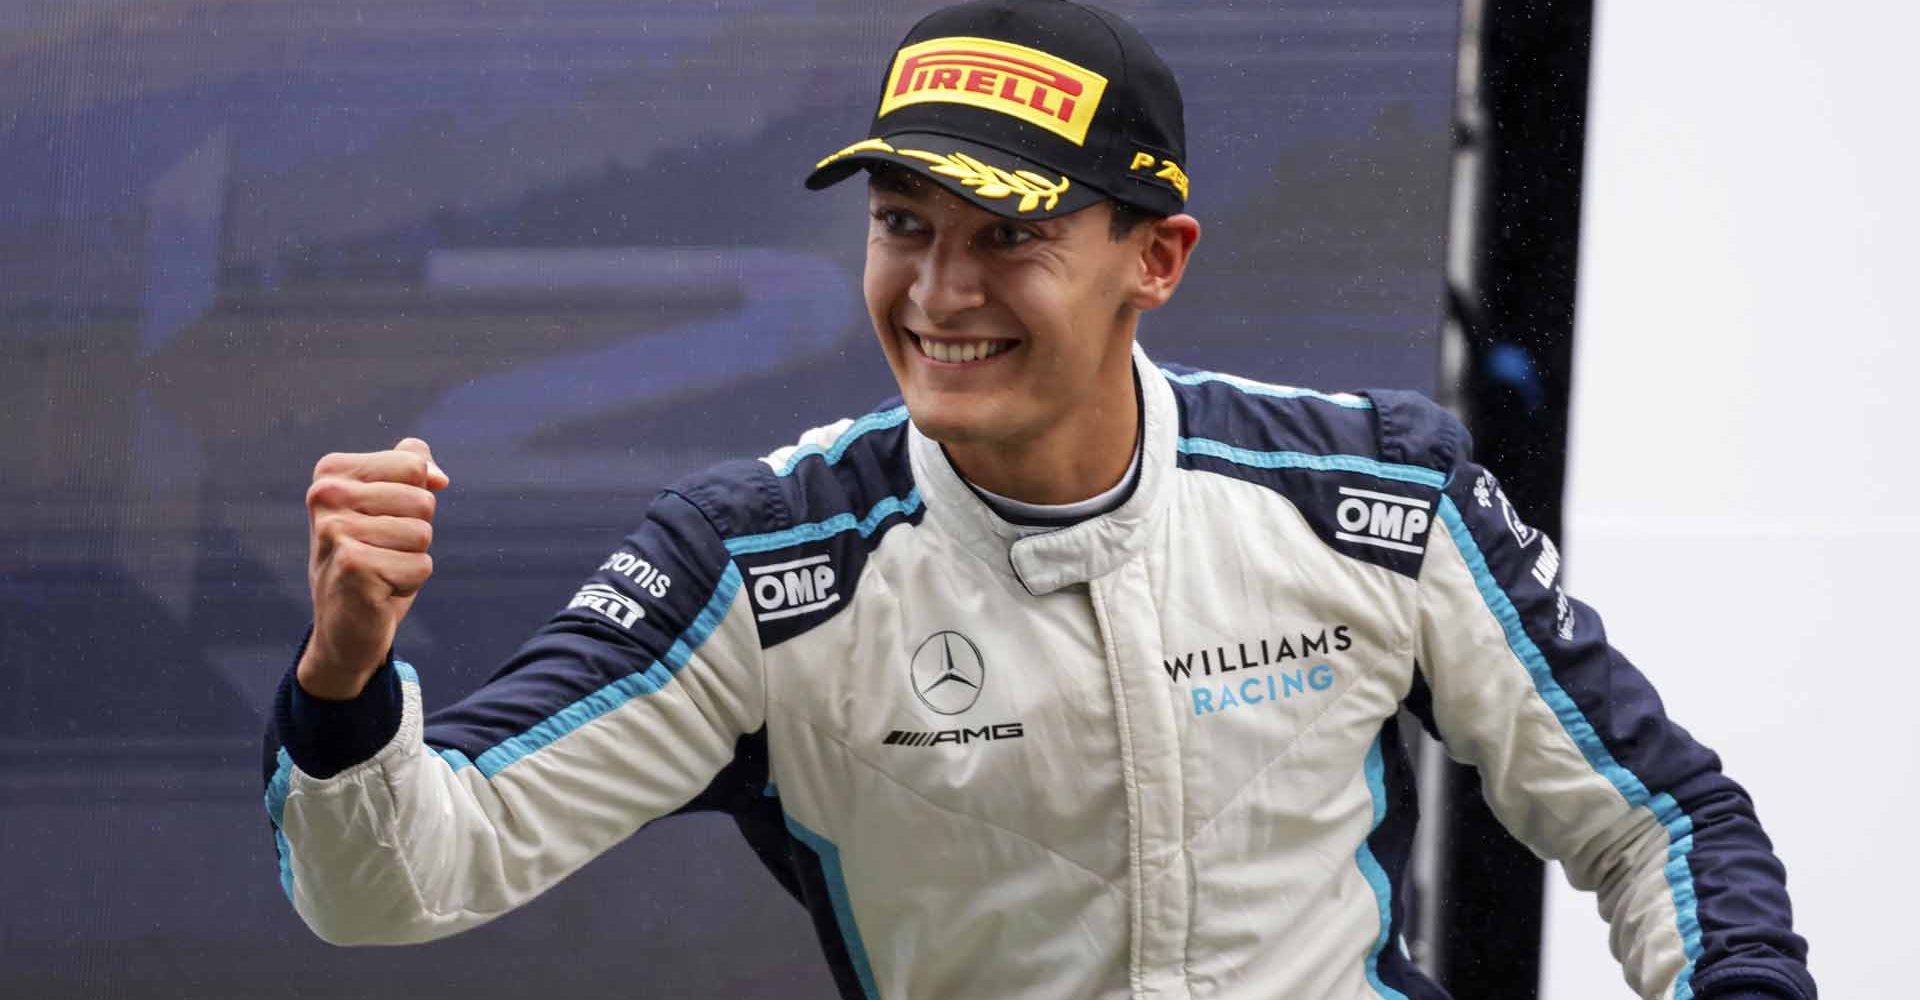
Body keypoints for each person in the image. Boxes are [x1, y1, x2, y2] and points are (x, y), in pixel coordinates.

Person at [262, 2, 1816, 998]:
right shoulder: (763, 561)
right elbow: (406, 877)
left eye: (1005, 234)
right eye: (898, 225)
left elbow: (1661, 822)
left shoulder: (1375, 494)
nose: (940, 291)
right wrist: (343, 681)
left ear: (1158, 257)